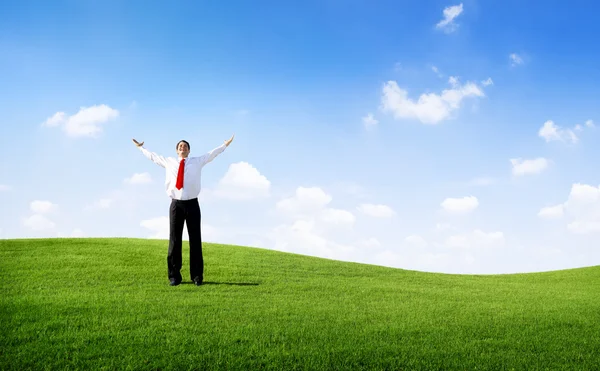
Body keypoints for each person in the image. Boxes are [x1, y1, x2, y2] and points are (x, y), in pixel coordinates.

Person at [132, 135, 234, 286]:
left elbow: (212, 154)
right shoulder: (168, 162)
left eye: (185, 146)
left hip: (193, 204)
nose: (182, 147)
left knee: (195, 241)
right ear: (176, 150)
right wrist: (141, 148)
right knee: (174, 241)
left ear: (189, 150)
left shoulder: (197, 161)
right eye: (180, 146)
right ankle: (174, 276)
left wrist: (224, 145)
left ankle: (197, 276)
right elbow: (153, 157)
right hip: (176, 205)